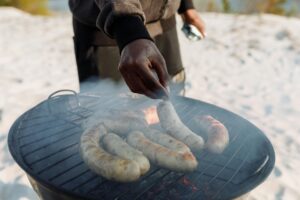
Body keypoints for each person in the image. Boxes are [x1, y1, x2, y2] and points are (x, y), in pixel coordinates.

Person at [69, 0, 206, 99]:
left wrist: (186, 6)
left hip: (165, 24)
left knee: (173, 100)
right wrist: (129, 29)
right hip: (110, 32)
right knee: (107, 113)